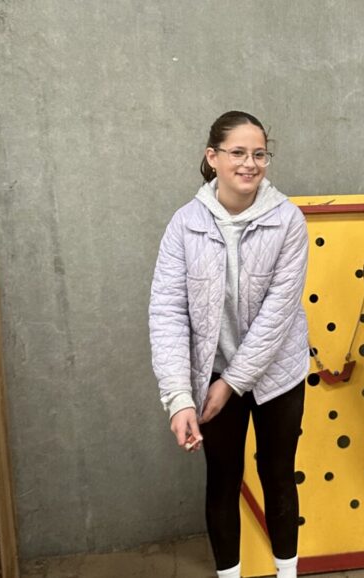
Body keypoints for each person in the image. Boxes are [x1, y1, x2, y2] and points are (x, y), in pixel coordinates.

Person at [149, 111, 309, 578]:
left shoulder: (287, 221)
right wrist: (180, 397)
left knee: (278, 476)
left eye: (259, 154)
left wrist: (232, 384)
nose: (249, 163)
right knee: (222, 479)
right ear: (212, 157)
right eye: (237, 153)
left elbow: (278, 315)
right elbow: (167, 312)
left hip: (277, 374)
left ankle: (286, 573)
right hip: (209, 373)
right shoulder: (184, 225)